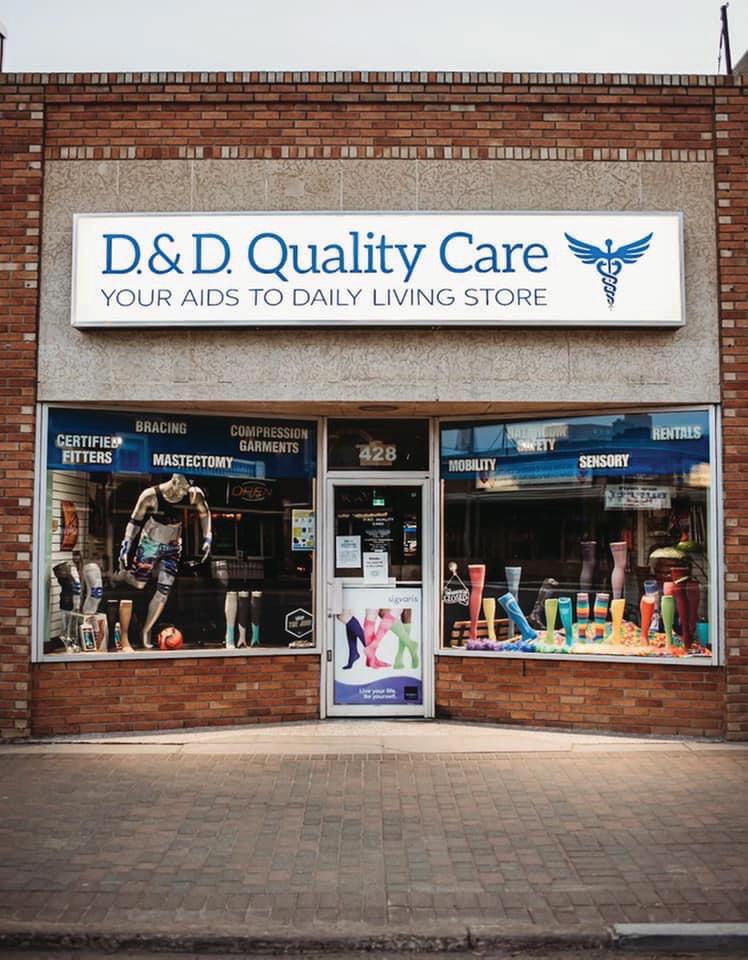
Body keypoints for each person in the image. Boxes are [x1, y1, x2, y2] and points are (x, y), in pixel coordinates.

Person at [115, 473, 211, 648]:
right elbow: (135, 520)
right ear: (174, 481)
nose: (185, 493)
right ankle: (123, 575)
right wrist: (126, 543)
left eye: (187, 489)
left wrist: (207, 536)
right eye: (182, 488)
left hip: (173, 545)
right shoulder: (150, 495)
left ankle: (146, 630)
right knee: (139, 584)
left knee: (164, 590)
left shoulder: (193, 493)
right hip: (151, 542)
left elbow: (204, 512)